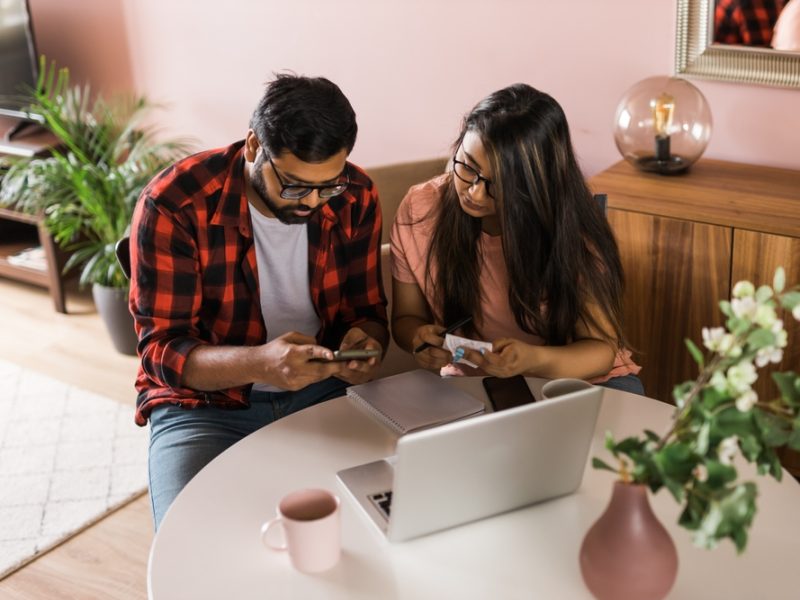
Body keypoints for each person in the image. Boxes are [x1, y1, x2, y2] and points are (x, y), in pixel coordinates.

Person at [129, 74, 389, 529]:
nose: (312, 201)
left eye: (327, 184)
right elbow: (161, 353)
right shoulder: (175, 203)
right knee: (191, 540)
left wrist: (364, 343)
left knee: (383, 517)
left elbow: (368, 312)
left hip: (322, 392)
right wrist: (261, 364)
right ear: (253, 146)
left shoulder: (354, 195)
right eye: (293, 185)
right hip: (202, 407)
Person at [390, 83, 643, 394]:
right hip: (476, 383)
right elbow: (406, 318)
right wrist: (419, 338)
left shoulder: (570, 228)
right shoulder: (420, 210)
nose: (474, 192)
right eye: (467, 166)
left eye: (500, 184)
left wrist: (531, 360)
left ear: (535, 185)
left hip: (580, 381)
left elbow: (601, 353)